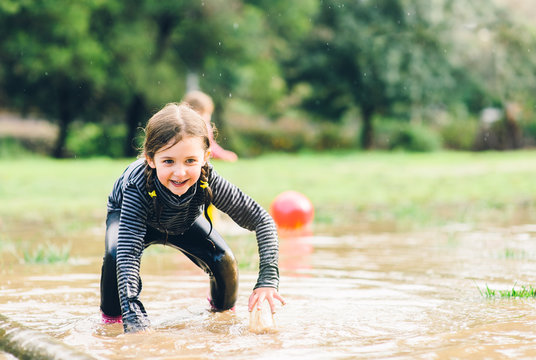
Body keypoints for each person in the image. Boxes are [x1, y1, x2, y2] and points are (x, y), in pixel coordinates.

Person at [99, 102, 285, 333]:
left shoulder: (209, 180)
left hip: (182, 220)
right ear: (150, 158)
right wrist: (134, 322)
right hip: (134, 218)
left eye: (190, 161)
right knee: (115, 256)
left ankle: (221, 317)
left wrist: (267, 280)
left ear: (206, 157)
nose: (180, 172)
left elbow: (261, 220)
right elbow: (128, 255)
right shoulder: (136, 186)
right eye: (168, 161)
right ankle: (111, 322)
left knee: (224, 260)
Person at [182, 90, 238, 162]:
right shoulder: (184, 127)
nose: (208, 117)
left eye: (209, 114)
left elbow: (210, 146)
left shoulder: (206, 127)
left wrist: (223, 154)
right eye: (205, 113)